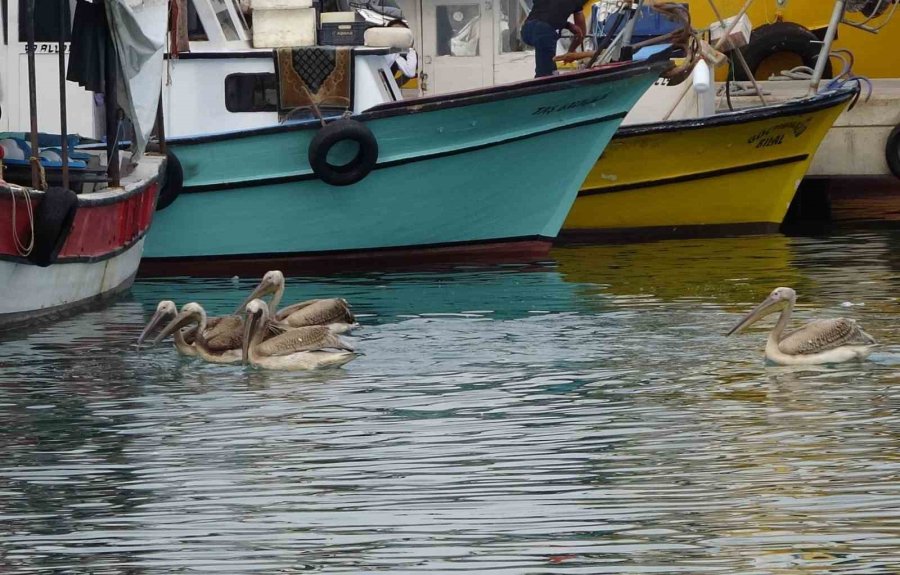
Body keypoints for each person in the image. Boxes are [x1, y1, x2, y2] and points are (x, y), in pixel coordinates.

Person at [520, 0, 589, 78]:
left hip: (526, 29)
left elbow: (545, 12)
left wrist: (567, 25)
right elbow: (581, 33)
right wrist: (571, 51)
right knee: (545, 75)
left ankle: (551, 73)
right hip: (544, 32)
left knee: (551, 69)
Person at [384, 19, 418, 88]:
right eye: (394, 33)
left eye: (401, 34)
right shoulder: (384, 49)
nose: (397, 36)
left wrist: (410, 48)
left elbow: (410, 72)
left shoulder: (395, 54)